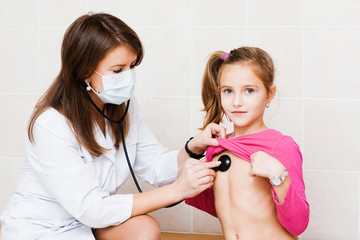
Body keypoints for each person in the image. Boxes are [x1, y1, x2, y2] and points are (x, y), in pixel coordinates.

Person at [0, 13, 226, 240]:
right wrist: (177, 191)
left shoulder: (124, 106)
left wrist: (193, 148)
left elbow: (155, 165)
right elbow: (92, 209)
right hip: (42, 228)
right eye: (118, 70)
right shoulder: (51, 124)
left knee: (145, 229)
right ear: (85, 71)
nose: (128, 77)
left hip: (87, 224)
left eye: (131, 66)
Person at [185, 47, 310, 239]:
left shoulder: (280, 146)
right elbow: (225, 207)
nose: (236, 102)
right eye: (228, 91)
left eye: (249, 91)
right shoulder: (218, 148)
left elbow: (299, 223)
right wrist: (193, 165)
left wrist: (280, 177)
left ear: (269, 94)